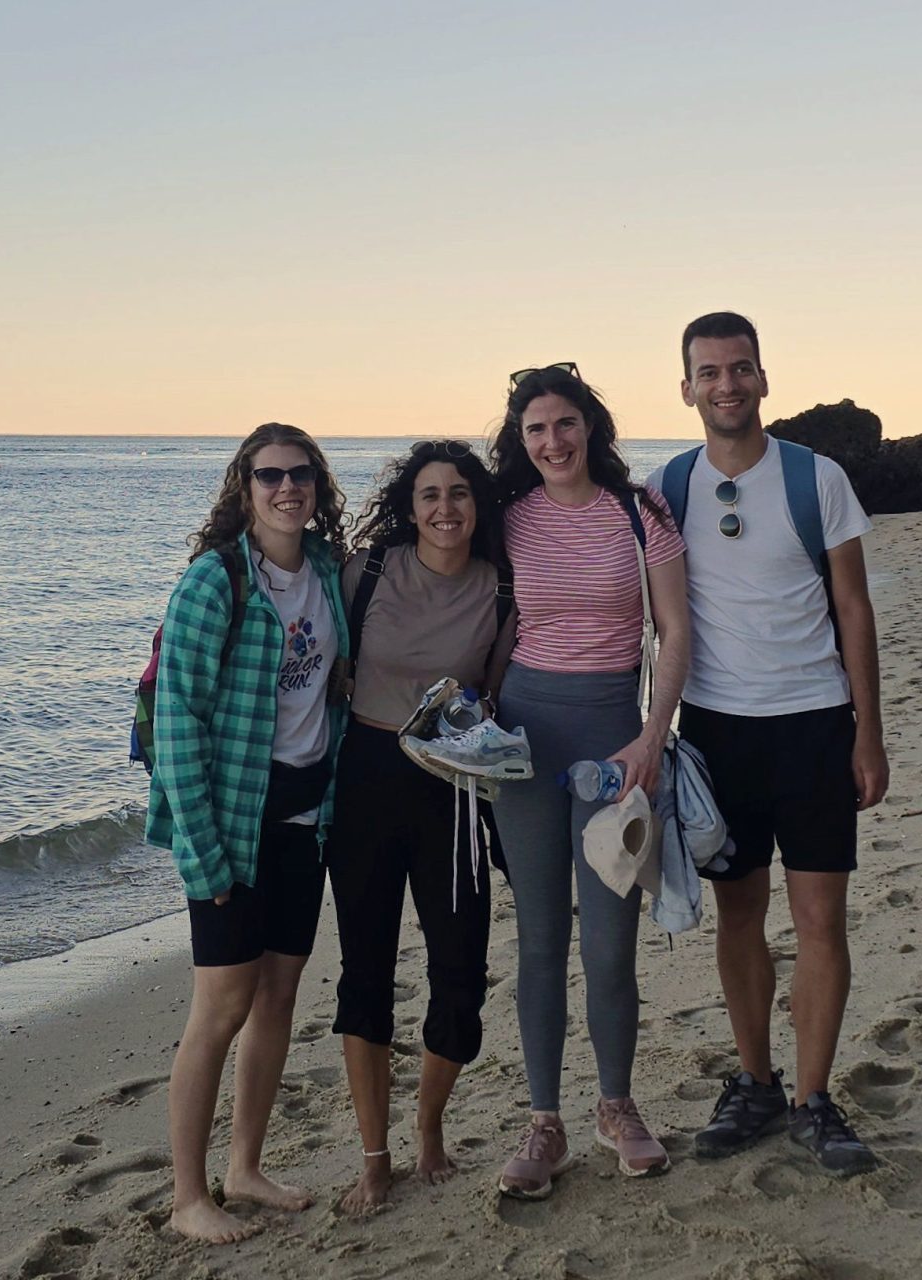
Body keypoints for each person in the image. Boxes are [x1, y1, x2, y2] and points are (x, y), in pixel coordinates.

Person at [649, 312, 889, 1175]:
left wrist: (869, 733)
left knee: (821, 918)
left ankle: (814, 1100)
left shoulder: (816, 477)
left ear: (762, 378)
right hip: (717, 734)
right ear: (686, 388)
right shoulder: (666, 487)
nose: (727, 385)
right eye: (710, 372)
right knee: (739, 915)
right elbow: (648, 614)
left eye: (740, 368)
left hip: (816, 725)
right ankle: (755, 1083)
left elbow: (853, 608)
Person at [486, 365, 691, 1199]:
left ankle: (617, 1106)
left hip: (615, 744)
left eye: (565, 423)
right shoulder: (507, 518)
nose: (553, 441)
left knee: (610, 943)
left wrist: (652, 737)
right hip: (524, 744)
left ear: (590, 426)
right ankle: (545, 1122)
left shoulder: (641, 515)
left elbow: (675, 630)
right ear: (520, 440)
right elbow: (461, 598)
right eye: (536, 429)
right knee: (539, 941)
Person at [146, 422, 351, 1243]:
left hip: (306, 819)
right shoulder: (215, 582)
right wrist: (201, 855)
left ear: (318, 487)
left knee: (277, 997)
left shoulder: (328, 572)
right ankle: (187, 1197)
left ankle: (245, 1168)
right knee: (221, 1008)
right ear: (245, 488)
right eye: (270, 475)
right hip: (232, 825)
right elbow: (177, 724)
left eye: (300, 474)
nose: (286, 487)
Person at [327, 439, 513, 1214]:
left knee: (461, 978)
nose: (445, 508)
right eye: (430, 494)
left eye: (459, 493)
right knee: (365, 975)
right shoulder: (366, 572)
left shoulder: (500, 589)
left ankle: (430, 1125)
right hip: (365, 783)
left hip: (453, 793)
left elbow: (497, 696)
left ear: (478, 503)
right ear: (410, 506)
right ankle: (375, 1157)